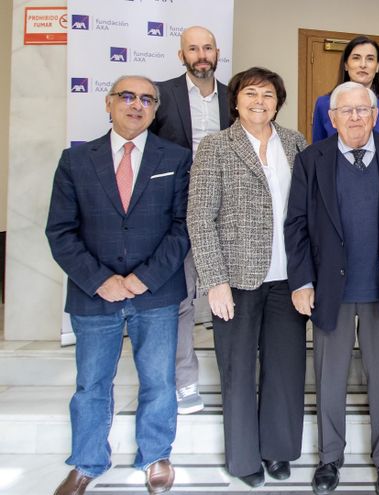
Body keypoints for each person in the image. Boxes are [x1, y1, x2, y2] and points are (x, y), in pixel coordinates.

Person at [46, 75, 191, 495]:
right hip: (95, 296)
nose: (136, 104)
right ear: (108, 104)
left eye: (147, 99)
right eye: (127, 96)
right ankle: (87, 462)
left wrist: (145, 277)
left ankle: (156, 455)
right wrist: (100, 280)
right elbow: (60, 231)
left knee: (159, 381)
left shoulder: (177, 158)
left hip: (156, 293)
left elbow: (183, 226)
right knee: (91, 384)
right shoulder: (75, 160)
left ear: (155, 109)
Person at [186, 67, 309, 488]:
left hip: (288, 279)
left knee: (285, 368)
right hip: (235, 281)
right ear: (235, 101)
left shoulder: (295, 143)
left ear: (279, 102)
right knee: (237, 371)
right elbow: (200, 217)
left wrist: (308, 276)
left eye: (269, 95)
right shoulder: (216, 147)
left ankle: (278, 450)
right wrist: (215, 280)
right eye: (251, 93)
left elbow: (308, 213)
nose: (260, 101)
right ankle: (243, 460)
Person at [286, 81, 379, 495]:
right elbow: (296, 224)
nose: (355, 117)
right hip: (329, 289)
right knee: (330, 378)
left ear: (375, 116)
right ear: (331, 118)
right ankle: (329, 458)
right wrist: (302, 281)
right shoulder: (311, 159)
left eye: (363, 110)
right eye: (347, 110)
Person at [149, 25, 231, 415]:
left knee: (228, 296)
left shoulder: (234, 97)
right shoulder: (160, 95)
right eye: (193, 49)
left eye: (207, 48)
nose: (201, 55)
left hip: (225, 211)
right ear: (181, 55)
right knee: (180, 299)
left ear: (217, 53)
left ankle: (234, 376)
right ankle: (184, 380)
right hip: (176, 211)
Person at [312, 35, 379, 149]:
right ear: (346, 65)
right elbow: (317, 153)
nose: (363, 65)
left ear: (378, 66)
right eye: (356, 58)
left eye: (370, 59)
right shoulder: (324, 104)